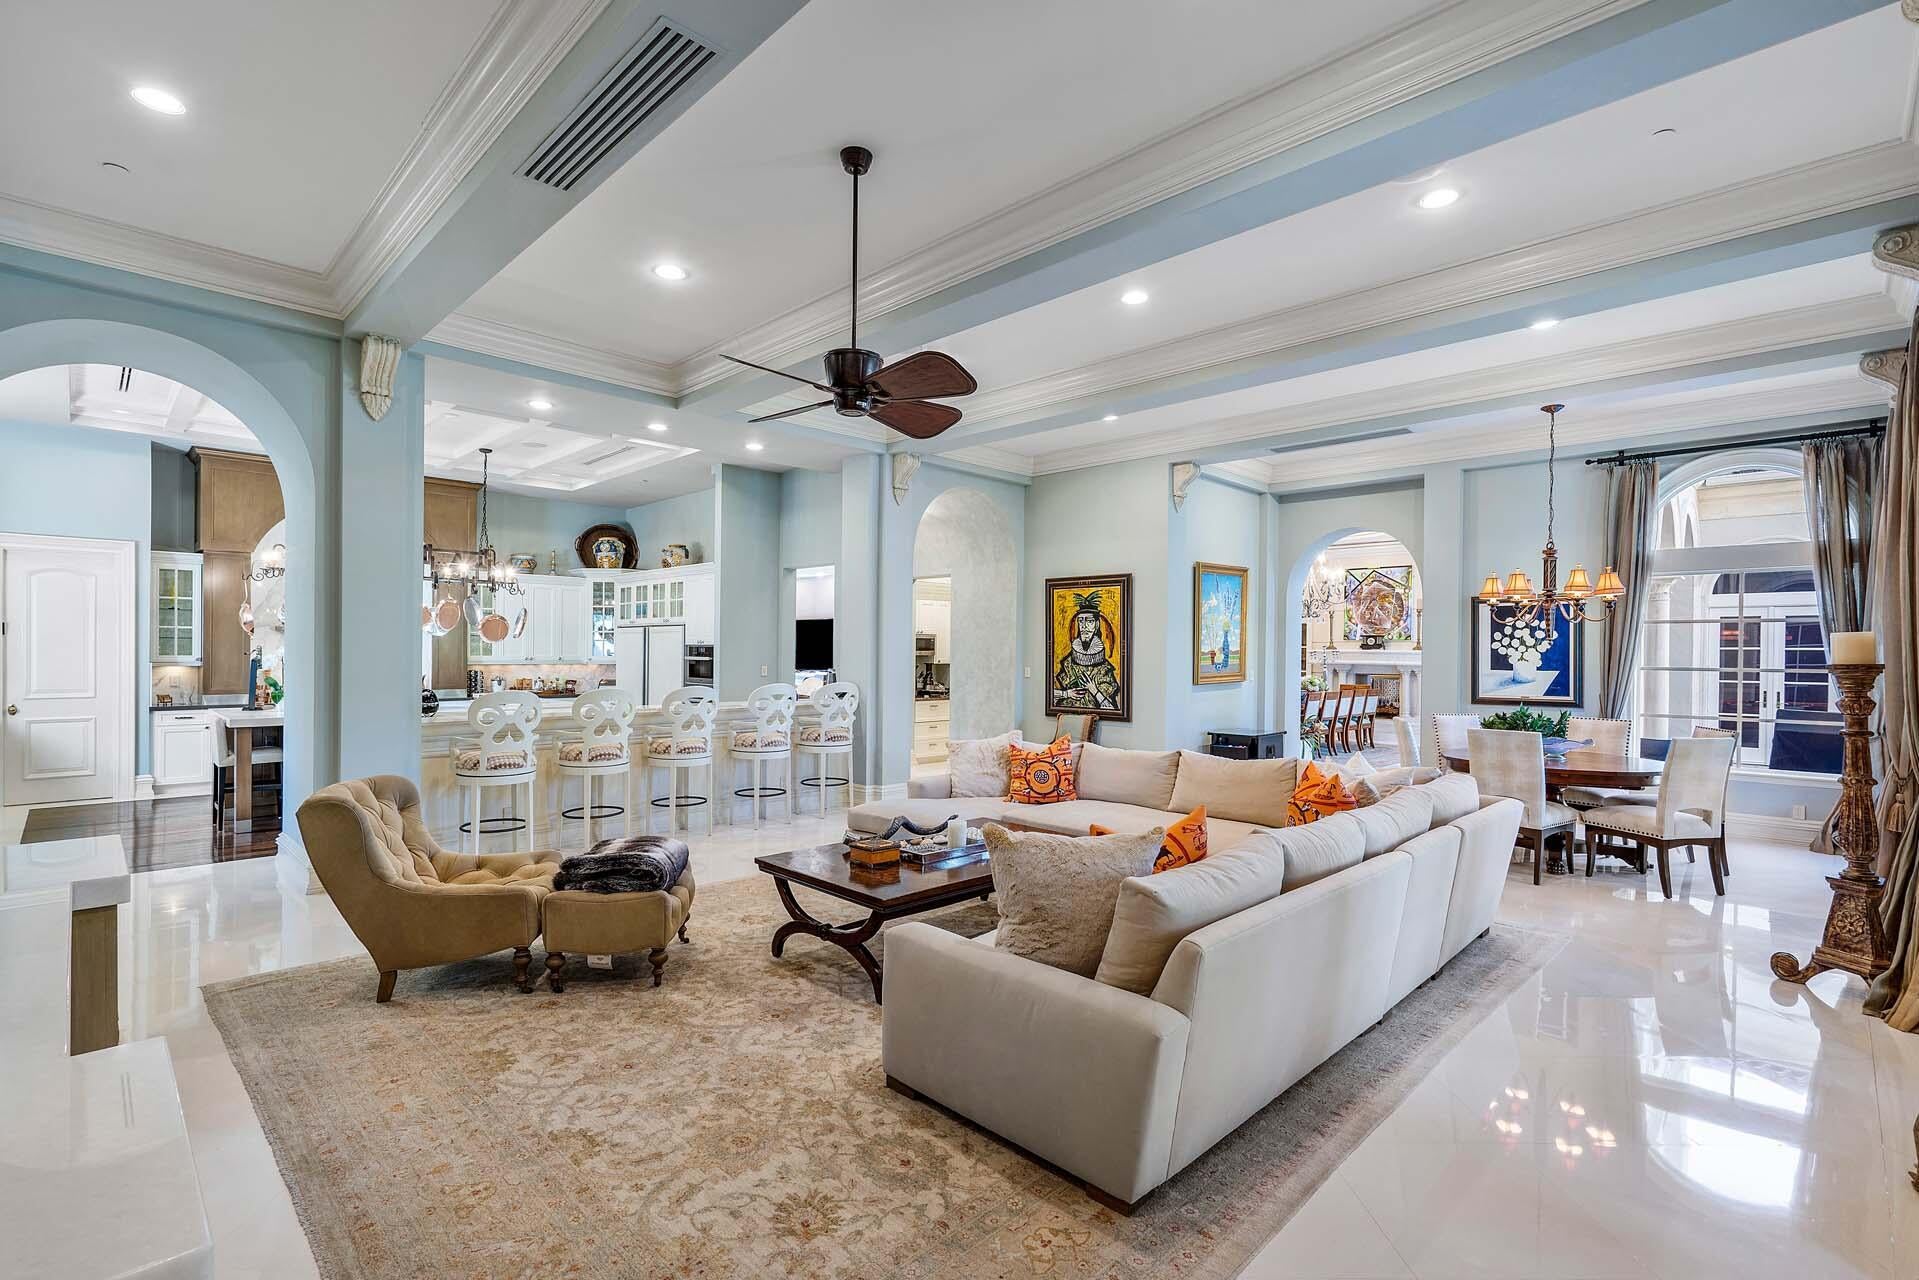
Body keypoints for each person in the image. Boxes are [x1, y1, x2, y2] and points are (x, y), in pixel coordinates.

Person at [1053, 592, 1121, 711]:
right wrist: (1066, 694)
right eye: (1081, 621)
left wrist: (1093, 690)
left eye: (1089, 621)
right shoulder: (1068, 663)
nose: (1084, 626)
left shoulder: (1104, 669)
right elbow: (1048, 695)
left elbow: (1112, 708)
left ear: (1096, 625)